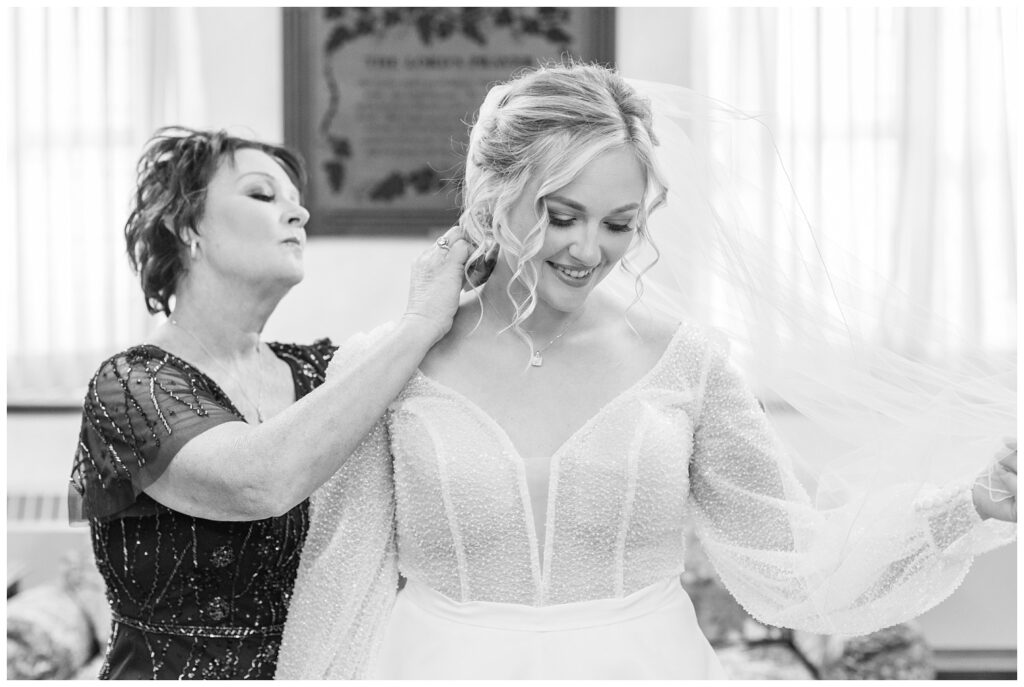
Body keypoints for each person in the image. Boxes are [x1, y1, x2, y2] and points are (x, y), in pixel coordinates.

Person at [276, 63, 1017, 679]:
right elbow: (344, 579)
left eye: (619, 223)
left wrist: (969, 504)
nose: (588, 249)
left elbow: (792, 564)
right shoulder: (389, 362)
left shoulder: (685, 363)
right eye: (561, 215)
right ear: (495, 194)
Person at [68, 127, 473, 679]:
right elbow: (258, 482)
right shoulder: (130, 385)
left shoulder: (324, 371)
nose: (299, 214)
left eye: (296, 199)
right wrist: (421, 322)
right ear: (186, 227)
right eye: (263, 195)